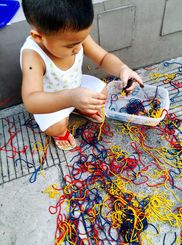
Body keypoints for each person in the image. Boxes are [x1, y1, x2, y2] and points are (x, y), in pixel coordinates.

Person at [20, 0, 143, 151]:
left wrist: (123, 69)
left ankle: (80, 108)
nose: (79, 49)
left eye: (81, 41)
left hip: (77, 87)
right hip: (51, 101)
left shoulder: (74, 36)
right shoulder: (32, 56)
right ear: (38, 37)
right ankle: (60, 132)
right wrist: (71, 98)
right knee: (56, 127)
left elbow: (103, 57)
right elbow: (31, 101)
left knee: (103, 92)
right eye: (70, 46)